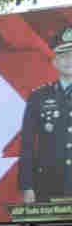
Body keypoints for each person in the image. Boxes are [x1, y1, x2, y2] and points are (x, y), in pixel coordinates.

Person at [18, 26, 72, 204]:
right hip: (49, 185)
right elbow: (27, 144)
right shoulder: (38, 97)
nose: (68, 61)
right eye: (63, 56)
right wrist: (27, 185)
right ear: (54, 62)